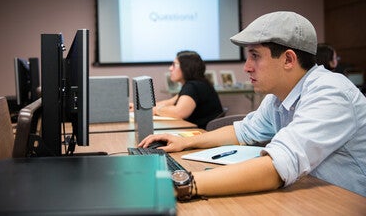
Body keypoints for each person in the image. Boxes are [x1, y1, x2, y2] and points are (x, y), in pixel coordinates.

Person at [139, 11, 366, 198]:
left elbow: (277, 167)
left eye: (255, 56)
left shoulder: (330, 92)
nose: (247, 67)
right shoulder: (278, 97)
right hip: (311, 195)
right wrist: (184, 143)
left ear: (288, 59)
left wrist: (182, 183)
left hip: (346, 201)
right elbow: (242, 132)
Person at [153, 50, 223, 129]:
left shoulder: (193, 86)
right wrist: (145, 108)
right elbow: (169, 102)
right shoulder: (198, 83)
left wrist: (156, 110)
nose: (170, 68)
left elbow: (179, 113)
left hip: (202, 133)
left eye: (174, 65)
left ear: (186, 67)